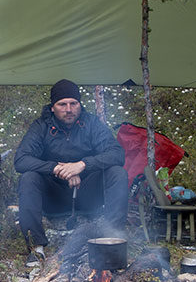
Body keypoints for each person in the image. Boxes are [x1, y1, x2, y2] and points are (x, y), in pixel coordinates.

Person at [13, 79, 128, 258]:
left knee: (117, 173)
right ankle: (36, 248)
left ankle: (112, 239)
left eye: (73, 103)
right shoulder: (41, 126)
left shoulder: (91, 123)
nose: (68, 109)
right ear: (52, 107)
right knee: (28, 177)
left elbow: (117, 154)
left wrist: (82, 165)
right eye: (62, 104)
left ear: (80, 105)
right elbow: (21, 160)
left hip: (88, 194)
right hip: (54, 195)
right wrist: (57, 169)